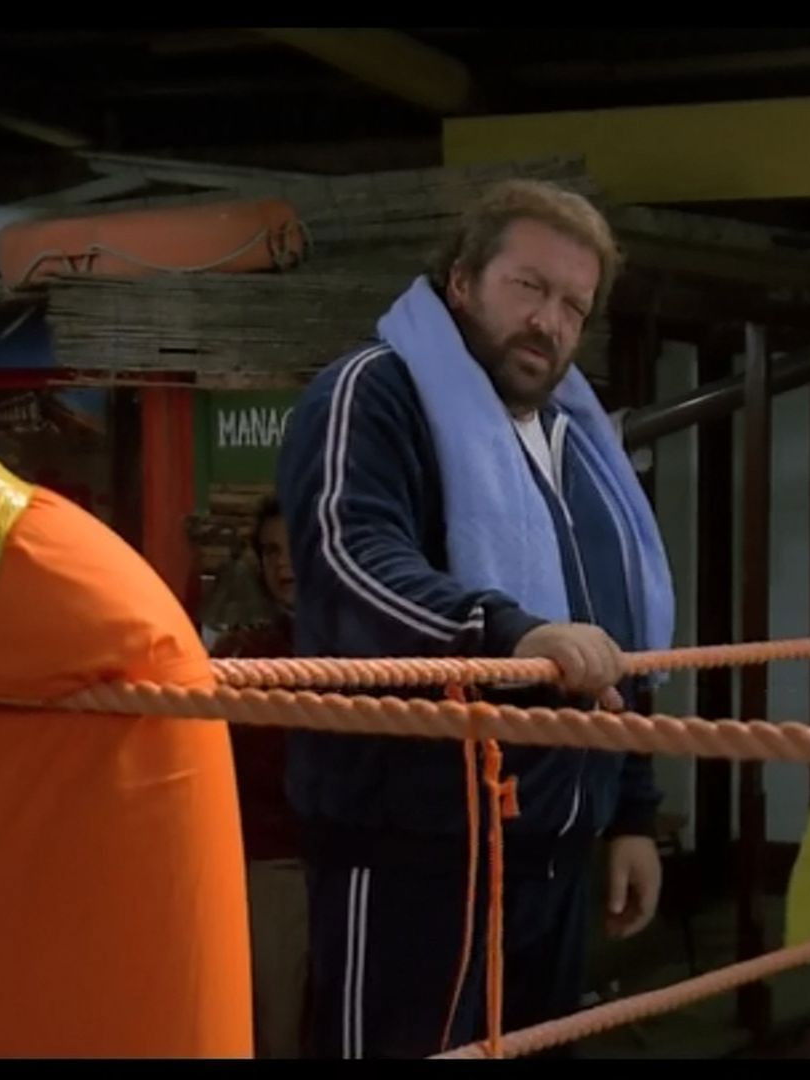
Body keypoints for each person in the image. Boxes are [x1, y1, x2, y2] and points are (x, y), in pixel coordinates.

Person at [276, 179, 674, 1059]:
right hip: (410, 845)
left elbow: (616, 639)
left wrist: (632, 814)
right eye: (528, 286)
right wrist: (506, 632)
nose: (548, 322)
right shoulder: (372, 393)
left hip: (551, 854)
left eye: (573, 305)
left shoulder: (579, 442)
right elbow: (350, 562)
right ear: (460, 280)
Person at [211, 497, 311, 1058]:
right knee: (279, 1029)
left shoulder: (367, 648)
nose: (283, 564)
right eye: (271, 551)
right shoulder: (243, 657)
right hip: (275, 864)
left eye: (294, 548)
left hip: (363, 861)